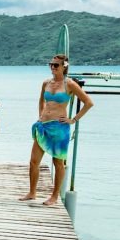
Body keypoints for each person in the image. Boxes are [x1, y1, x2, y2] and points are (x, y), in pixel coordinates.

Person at [20, 54, 93, 205]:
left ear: (64, 66)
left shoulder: (70, 84)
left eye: (56, 65)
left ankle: (54, 196)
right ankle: (32, 192)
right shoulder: (46, 82)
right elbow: (41, 100)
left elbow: (88, 102)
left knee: (58, 162)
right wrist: (40, 116)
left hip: (59, 128)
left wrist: (73, 119)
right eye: (51, 64)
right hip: (43, 126)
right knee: (34, 161)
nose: (52, 67)